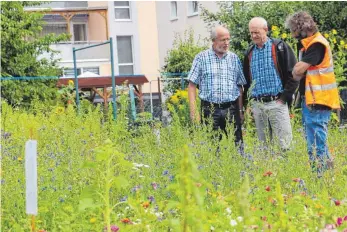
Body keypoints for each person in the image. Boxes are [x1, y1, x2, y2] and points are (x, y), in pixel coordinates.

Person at [286, 11, 340, 175]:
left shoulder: (317, 44)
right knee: (317, 140)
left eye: (293, 30)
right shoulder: (308, 44)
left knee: (315, 144)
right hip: (313, 100)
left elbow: (298, 70)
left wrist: (299, 70)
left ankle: (321, 177)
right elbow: (297, 72)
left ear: (300, 28)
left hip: (318, 101)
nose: (292, 34)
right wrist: (298, 71)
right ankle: (327, 176)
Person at [187, 25, 247, 153]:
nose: (226, 43)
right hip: (209, 109)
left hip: (231, 108)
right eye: (223, 40)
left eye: (228, 40)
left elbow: (240, 86)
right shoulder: (201, 58)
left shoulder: (234, 58)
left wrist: (240, 110)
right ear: (214, 40)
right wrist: (193, 111)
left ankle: (240, 169)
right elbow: (192, 85)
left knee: (238, 146)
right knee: (212, 147)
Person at [243, 17, 298, 151]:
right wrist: (248, 104)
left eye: (256, 32)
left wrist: (284, 98)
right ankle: (267, 171)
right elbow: (246, 81)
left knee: (285, 146)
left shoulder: (279, 47)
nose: (253, 35)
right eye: (251, 33)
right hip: (258, 105)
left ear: (266, 30)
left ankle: (286, 171)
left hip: (277, 102)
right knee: (264, 147)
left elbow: (294, 74)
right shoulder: (249, 53)